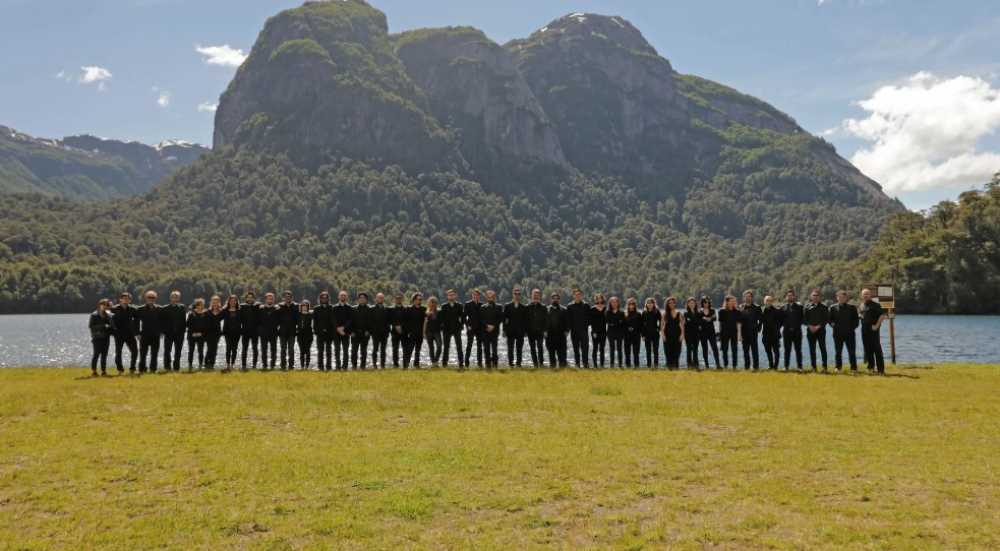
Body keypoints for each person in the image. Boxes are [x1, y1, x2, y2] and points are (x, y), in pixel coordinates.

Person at [828, 290, 859, 372]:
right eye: (839, 297)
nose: (841, 299)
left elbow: (856, 321)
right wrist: (833, 325)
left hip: (850, 334)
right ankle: (838, 367)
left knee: (851, 352)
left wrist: (851, 328)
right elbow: (829, 320)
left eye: (843, 297)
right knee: (838, 352)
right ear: (837, 298)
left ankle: (854, 368)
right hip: (837, 334)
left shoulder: (852, 308)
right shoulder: (832, 308)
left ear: (846, 298)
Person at [859, 289, 888, 374]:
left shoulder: (876, 305)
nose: (865, 296)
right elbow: (861, 314)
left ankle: (881, 370)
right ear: (861, 296)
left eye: (867, 294)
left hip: (873, 330)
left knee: (877, 350)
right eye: (864, 294)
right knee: (868, 350)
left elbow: (883, 315)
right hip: (864, 330)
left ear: (870, 295)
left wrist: (876, 325)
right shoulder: (861, 305)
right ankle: (871, 368)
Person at [111, 292, 138, 374]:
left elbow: (137, 321)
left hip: (130, 334)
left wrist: (137, 332)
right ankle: (120, 369)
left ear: (130, 300)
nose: (126, 300)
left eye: (128, 299)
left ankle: (132, 369)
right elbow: (108, 320)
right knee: (118, 352)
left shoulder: (133, 309)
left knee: (135, 351)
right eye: (124, 298)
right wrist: (112, 331)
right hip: (118, 335)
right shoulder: (114, 309)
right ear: (120, 299)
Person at [136, 290, 162, 374]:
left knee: (154, 354)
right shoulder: (140, 309)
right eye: (149, 297)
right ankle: (142, 369)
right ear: (146, 298)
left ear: (155, 299)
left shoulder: (159, 309)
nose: (151, 299)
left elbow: (164, 321)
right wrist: (137, 333)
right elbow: (135, 322)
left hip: (155, 335)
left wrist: (161, 332)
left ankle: (153, 369)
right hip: (144, 334)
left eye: (153, 297)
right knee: (143, 354)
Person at [804, 289, 830, 372]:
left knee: (823, 348)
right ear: (811, 297)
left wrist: (818, 326)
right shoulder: (807, 307)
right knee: (812, 349)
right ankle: (813, 367)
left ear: (819, 297)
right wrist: (810, 326)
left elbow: (826, 319)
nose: (815, 297)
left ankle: (824, 367)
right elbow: (804, 319)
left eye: (817, 295)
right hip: (810, 331)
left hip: (821, 331)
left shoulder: (824, 307)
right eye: (814, 295)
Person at [161, 291, 187, 372]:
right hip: (168, 334)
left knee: (178, 351)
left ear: (179, 298)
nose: (175, 299)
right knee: (167, 351)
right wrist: (163, 331)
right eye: (173, 297)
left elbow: (184, 320)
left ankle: (176, 368)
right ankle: (167, 367)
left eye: (176, 297)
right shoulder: (165, 308)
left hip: (180, 334)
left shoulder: (182, 307)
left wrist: (183, 330)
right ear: (170, 298)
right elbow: (162, 321)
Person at [440, 289, 465, 368]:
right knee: (446, 347)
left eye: (452, 295)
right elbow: (441, 318)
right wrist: (442, 328)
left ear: (455, 296)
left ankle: (461, 363)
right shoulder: (444, 306)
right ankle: (444, 364)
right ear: (447, 296)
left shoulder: (459, 305)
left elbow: (463, 317)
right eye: (449, 295)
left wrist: (461, 326)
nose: (451, 296)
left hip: (457, 329)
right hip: (446, 330)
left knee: (459, 346)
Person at [566, 289, 591, 368]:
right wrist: (568, 329)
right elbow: (568, 319)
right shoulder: (570, 306)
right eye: (576, 295)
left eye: (579, 295)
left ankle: (585, 364)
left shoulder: (586, 305)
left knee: (585, 348)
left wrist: (586, 325)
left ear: (582, 296)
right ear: (573, 296)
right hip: (574, 331)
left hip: (584, 331)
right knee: (576, 349)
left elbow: (589, 318)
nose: (577, 296)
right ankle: (577, 364)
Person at [89, 298, 113, 376]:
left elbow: (111, 325)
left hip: (106, 338)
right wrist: (103, 326)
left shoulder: (108, 315)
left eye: (107, 305)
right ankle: (94, 371)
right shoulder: (94, 315)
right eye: (104, 304)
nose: (105, 306)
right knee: (96, 354)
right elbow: (91, 326)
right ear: (100, 305)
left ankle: (103, 371)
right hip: (97, 338)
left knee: (104, 355)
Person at [781, 290, 805, 371]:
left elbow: (802, 319)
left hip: (797, 331)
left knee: (798, 350)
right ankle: (786, 366)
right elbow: (780, 320)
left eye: (791, 295)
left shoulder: (800, 307)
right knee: (787, 350)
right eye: (788, 295)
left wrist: (796, 325)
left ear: (794, 297)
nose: (790, 297)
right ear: (786, 297)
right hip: (786, 332)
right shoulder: (783, 308)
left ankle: (800, 367)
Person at [739, 290, 763, 371]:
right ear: (743, 298)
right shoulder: (741, 307)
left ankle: (756, 367)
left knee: (754, 350)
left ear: (752, 297)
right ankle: (747, 367)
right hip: (744, 332)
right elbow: (739, 321)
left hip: (753, 332)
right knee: (745, 350)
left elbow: (761, 319)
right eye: (746, 296)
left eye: (749, 296)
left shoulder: (757, 307)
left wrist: (758, 328)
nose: (747, 298)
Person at [503, 288, 527, 368]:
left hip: (520, 331)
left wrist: (525, 331)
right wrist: (504, 330)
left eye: (518, 294)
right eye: (515, 294)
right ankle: (511, 363)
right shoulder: (507, 306)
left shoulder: (524, 307)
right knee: (510, 348)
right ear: (513, 295)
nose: (517, 295)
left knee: (519, 348)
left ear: (520, 296)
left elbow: (525, 320)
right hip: (510, 331)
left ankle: (519, 363)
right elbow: (505, 319)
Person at [402, 293, 426, 369]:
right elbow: (405, 322)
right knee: (409, 350)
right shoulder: (408, 309)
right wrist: (407, 332)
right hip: (411, 333)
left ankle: (416, 365)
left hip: (420, 333)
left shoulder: (423, 309)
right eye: (418, 299)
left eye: (421, 299)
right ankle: (406, 365)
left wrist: (424, 333)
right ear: (414, 300)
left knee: (418, 350)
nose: (420, 301)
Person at [276, 291, 299, 370]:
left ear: (291, 298)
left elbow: (298, 319)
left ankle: (291, 366)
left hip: (292, 332)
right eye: (286, 297)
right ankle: (283, 365)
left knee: (291, 350)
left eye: (289, 297)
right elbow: (277, 319)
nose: (287, 298)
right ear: (284, 298)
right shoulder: (279, 306)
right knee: (283, 349)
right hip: (282, 331)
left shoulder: (296, 306)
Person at [545, 292, 569, 368]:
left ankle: (563, 369)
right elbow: (543, 321)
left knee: (562, 356)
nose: (555, 300)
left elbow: (568, 322)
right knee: (551, 355)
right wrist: (544, 331)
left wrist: (567, 331)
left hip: (561, 336)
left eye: (557, 298)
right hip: (549, 336)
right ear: (551, 300)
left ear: (559, 300)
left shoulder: (564, 310)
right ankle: (553, 369)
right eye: (553, 298)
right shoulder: (546, 310)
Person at [312, 291, 334, 371]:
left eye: (326, 297)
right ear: (320, 299)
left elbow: (333, 321)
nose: (324, 299)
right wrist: (316, 331)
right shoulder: (316, 308)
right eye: (322, 297)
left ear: (328, 299)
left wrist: (332, 332)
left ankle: (329, 367)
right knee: (320, 351)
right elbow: (315, 322)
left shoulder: (332, 308)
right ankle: (320, 367)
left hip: (329, 333)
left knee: (329, 351)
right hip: (319, 333)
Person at [238, 291, 260, 370]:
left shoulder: (257, 306)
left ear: (254, 298)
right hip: (245, 331)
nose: (250, 299)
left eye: (251, 297)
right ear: (246, 298)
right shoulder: (242, 307)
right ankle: (243, 365)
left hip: (255, 332)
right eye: (248, 297)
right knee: (244, 349)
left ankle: (254, 365)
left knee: (255, 348)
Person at [186, 298, 209, 371]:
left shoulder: (205, 313)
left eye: (202, 305)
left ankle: (200, 365)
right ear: (197, 305)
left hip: (201, 336)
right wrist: (194, 333)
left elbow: (206, 326)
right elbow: (188, 325)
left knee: (201, 351)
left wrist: (201, 333)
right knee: (191, 351)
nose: (201, 306)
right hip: (191, 335)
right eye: (200, 305)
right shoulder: (191, 314)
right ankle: (190, 365)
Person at [526, 289, 548, 368]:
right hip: (530, 331)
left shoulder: (543, 307)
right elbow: (526, 319)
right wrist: (526, 331)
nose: (536, 296)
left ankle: (541, 363)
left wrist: (545, 330)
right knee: (532, 348)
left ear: (540, 296)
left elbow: (546, 320)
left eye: (537, 295)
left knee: (540, 347)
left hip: (540, 331)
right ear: (532, 296)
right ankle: (535, 364)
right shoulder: (528, 307)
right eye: (534, 295)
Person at [258, 292, 280, 370]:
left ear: (273, 300)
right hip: (263, 333)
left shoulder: (277, 309)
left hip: (274, 332)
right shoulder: (261, 308)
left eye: (271, 299)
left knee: (273, 350)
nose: (270, 300)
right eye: (268, 299)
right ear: (265, 300)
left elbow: (279, 320)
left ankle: (272, 365)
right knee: (264, 350)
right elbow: (258, 321)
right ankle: (264, 365)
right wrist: (260, 330)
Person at [481, 290, 503, 369]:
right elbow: (481, 319)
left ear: (494, 297)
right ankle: (488, 365)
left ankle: (495, 365)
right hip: (485, 331)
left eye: (492, 296)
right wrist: (487, 326)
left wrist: (493, 326)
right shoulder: (483, 307)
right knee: (486, 349)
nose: (490, 297)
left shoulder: (499, 307)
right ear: (487, 297)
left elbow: (500, 318)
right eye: (489, 296)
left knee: (494, 349)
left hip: (495, 331)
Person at [351, 293, 372, 369]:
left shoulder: (370, 309)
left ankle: (363, 366)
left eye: (364, 298)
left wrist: (368, 331)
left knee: (364, 351)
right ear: (358, 299)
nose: (362, 299)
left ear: (366, 300)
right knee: (354, 351)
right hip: (355, 333)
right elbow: (351, 321)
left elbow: (371, 322)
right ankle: (354, 366)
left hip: (365, 333)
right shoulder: (353, 309)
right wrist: (351, 331)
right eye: (360, 298)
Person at [761, 296, 783, 370]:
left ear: (772, 302)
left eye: (770, 300)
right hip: (766, 335)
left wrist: (777, 329)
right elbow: (761, 322)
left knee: (776, 351)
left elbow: (781, 322)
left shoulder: (777, 311)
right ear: (764, 302)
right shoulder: (763, 311)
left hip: (775, 335)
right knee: (768, 351)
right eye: (767, 300)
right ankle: (771, 366)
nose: (768, 302)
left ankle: (775, 366)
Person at [661, 296, 684, 369]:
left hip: (677, 336)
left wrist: (682, 335)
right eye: (669, 303)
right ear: (667, 304)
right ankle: (669, 368)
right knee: (668, 353)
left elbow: (682, 326)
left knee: (677, 353)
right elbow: (662, 326)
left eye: (672, 303)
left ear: (675, 304)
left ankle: (676, 368)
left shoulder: (679, 314)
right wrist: (663, 335)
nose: (671, 304)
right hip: (667, 336)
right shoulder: (665, 314)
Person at [333, 291, 353, 370]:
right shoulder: (334, 307)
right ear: (338, 297)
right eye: (341, 295)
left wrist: (343, 328)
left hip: (346, 332)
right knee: (337, 350)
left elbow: (350, 320)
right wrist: (338, 328)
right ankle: (338, 366)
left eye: (344, 296)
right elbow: (333, 319)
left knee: (345, 350)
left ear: (346, 297)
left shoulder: (349, 308)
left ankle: (345, 367)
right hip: (336, 332)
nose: (343, 297)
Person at [464, 289, 484, 369]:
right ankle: (466, 362)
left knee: (480, 346)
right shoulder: (467, 304)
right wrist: (467, 326)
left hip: (480, 328)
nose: (475, 296)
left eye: (477, 295)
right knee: (469, 345)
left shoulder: (481, 305)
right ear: (472, 295)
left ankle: (479, 363)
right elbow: (464, 317)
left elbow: (483, 317)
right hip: (471, 328)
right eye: (474, 295)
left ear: (479, 296)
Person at [370, 293, 391, 369]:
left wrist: (388, 332)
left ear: (383, 299)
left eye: (382, 298)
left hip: (384, 333)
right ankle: (374, 364)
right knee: (375, 349)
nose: (380, 299)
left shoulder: (386, 309)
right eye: (379, 298)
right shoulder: (372, 309)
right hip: (375, 333)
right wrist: (371, 332)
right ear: (376, 299)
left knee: (383, 350)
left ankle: (382, 365)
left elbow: (388, 321)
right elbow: (370, 321)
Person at [718, 296, 740, 369]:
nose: (732, 302)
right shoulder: (721, 311)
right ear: (727, 302)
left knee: (734, 350)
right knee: (724, 350)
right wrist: (720, 334)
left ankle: (734, 366)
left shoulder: (737, 312)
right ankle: (726, 365)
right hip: (724, 333)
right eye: (731, 301)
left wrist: (739, 335)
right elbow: (720, 324)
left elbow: (738, 324)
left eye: (734, 301)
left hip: (734, 333)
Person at [699, 297, 721, 369]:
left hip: (711, 332)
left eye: (708, 302)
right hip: (703, 333)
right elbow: (699, 320)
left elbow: (715, 318)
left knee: (715, 348)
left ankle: (718, 365)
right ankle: (706, 365)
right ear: (702, 303)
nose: (706, 304)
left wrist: (708, 318)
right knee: (705, 348)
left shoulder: (712, 310)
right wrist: (706, 318)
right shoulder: (700, 311)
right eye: (705, 302)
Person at [221, 295, 242, 371]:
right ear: (229, 301)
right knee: (228, 348)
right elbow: (217, 317)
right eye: (231, 300)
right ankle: (227, 365)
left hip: (237, 332)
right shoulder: (225, 310)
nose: (233, 302)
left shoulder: (239, 310)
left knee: (234, 349)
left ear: (236, 302)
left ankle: (232, 365)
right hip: (227, 332)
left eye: (234, 301)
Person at [204, 295, 224, 370]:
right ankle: (206, 364)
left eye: (216, 302)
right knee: (209, 349)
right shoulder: (207, 312)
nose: (215, 303)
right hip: (208, 333)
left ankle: (212, 364)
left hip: (217, 333)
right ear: (211, 302)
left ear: (219, 303)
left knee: (214, 349)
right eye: (213, 302)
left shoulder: (221, 312)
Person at [605, 297, 625, 368]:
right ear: (610, 303)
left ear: (618, 303)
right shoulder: (607, 312)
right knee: (612, 348)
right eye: (612, 302)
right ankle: (612, 364)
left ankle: (620, 364)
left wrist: (614, 323)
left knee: (620, 349)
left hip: (620, 333)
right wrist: (617, 322)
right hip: (610, 333)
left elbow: (623, 323)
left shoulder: (621, 313)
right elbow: (607, 322)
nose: (614, 303)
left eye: (615, 302)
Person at [641, 298, 661, 368]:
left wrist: (658, 329)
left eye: (651, 303)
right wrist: (642, 335)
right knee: (648, 351)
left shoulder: (657, 312)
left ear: (653, 304)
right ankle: (649, 365)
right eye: (648, 303)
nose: (649, 304)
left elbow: (661, 321)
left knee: (655, 351)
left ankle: (656, 365)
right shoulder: (644, 312)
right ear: (646, 304)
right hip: (647, 334)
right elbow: (642, 325)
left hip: (655, 334)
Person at [590, 294, 608, 368]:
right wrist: (593, 332)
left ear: (602, 299)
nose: (599, 300)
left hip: (603, 331)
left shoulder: (606, 309)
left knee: (602, 349)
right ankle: (595, 365)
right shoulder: (592, 309)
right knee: (595, 348)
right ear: (595, 300)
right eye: (597, 298)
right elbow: (591, 322)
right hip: (595, 332)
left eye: (600, 298)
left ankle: (602, 365)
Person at [389, 294, 406, 368]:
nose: (398, 300)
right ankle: (395, 364)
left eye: (400, 299)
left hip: (404, 331)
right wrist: (396, 326)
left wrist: (401, 327)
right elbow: (390, 319)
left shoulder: (406, 309)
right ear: (395, 300)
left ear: (402, 300)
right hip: (394, 332)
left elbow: (407, 320)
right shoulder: (391, 309)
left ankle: (405, 364)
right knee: (395, 348)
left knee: (405, 348)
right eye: (397, 299)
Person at [682, 298, 700, 369]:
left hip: (696, 334)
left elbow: (700, 324)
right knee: (689, 349)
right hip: (688, 334)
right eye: (690, 303)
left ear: (695, 304)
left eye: (693, 303)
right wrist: (683, 335)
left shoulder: (698, 313)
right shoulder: (685, 314)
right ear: (688, 304)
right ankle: (689, 364)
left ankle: (696, 364)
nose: (692, 304)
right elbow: (683, 325)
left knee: (695, 350)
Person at [424, 296, 443, 366]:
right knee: (431, 348)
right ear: (429, 304)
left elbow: (442, 322)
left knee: (439, 346)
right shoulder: (426, 312)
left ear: (436, 303)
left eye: (434, 303)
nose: (432, 304)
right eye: (431, 303)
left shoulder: (440, 311)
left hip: (437, 332)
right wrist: (424, 333)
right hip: (429, 332)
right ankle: (433, 362)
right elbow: (425, 323)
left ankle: (436, 360)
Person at [623, 298, 642, 368]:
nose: (631, 305)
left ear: (635, 305)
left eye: (633, 304)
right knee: (627, 353)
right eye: (630, 304)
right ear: (627, 305)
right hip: (627, 336)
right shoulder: (624, 314)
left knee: (636, 353)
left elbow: (641, 325)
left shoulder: (638, 314)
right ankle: (628, 366)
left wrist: (635, 330)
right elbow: (623, 325)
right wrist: (627, 329)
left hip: (636, 336)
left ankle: (636, 366)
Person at [297, 300, 314, 370]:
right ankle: (302, 366)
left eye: (305, 306)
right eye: (303, 306)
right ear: (301, 307)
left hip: (309, 335)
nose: (304, 307)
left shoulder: (311, 314)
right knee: (301, 351)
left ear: (308, 307)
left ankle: (307, 365)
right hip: (300, 335)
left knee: (307, 350)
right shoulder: (298, 314)